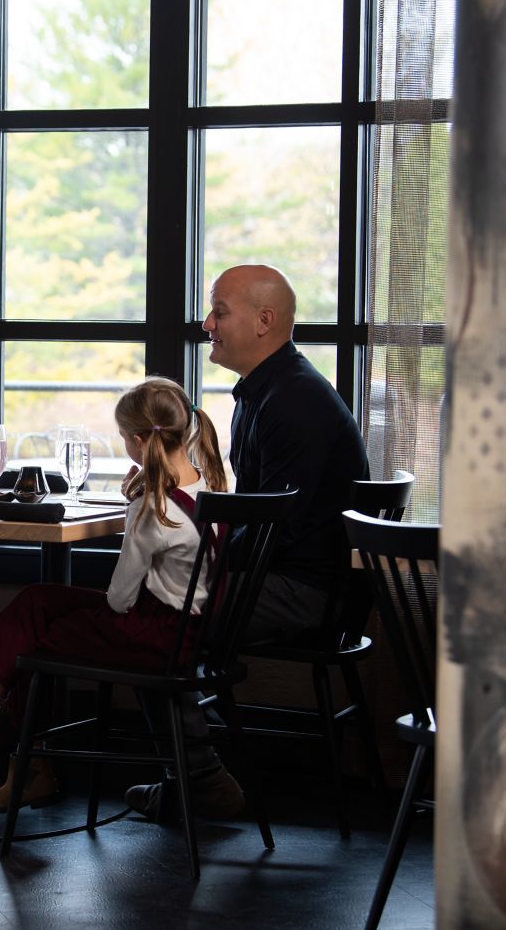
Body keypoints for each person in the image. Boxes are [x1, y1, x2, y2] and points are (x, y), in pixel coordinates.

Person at [0, 377, 247, 815]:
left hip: (152, 635)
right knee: (39, 601)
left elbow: (120, 599)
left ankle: (9, 743)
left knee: (38, 635)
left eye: (125, 439)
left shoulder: (152, 506)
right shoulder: (206, 484)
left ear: (141, 441)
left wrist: (134, 507)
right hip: (187, 631)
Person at [124, 263, 370, 820]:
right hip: (299, 577)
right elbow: (258, 521)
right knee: (161, 595)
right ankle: (195, 772)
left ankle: (200, 778)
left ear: (264, 321)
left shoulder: (292, 402)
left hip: (306, 589)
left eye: (220, 311)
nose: (206, 322)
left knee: (152, 614)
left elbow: (270, 528)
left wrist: (190, 560)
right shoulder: (276, 389)